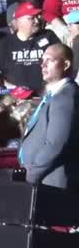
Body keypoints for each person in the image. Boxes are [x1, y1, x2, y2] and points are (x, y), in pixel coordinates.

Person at [20, 43, 79, 189]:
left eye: (49, 60)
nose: (43, 65)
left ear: (65, 64)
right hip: (44, 179)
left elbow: (56, 144)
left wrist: (31, 174)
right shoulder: (54, 95)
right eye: (42, 60)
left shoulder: (66, 97)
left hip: (51, 181)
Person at [0, 1, 59, 92]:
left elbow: (60, 61)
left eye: (38, 16)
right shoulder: (5, 43)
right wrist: (13, 89)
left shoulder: (49, 36)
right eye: (32, 18)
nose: (37, 20)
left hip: (46, 93)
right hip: (13, 95)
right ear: (19, 21)